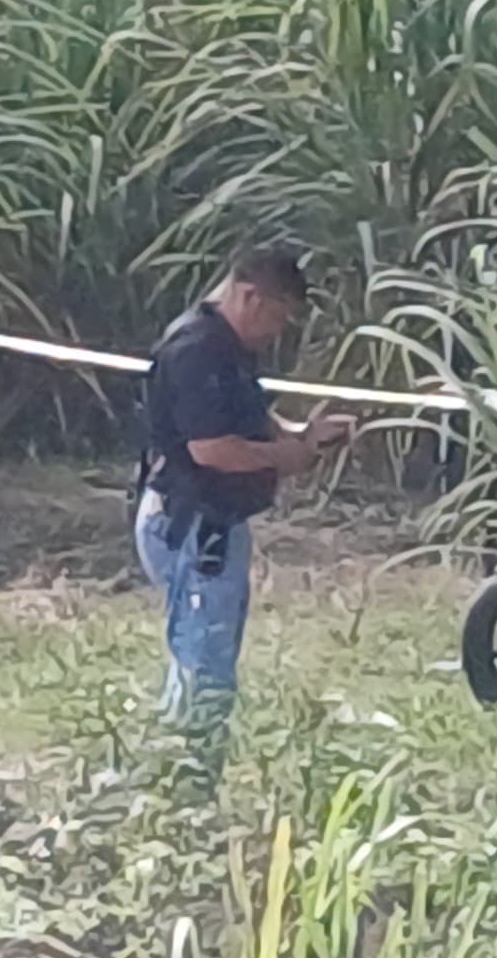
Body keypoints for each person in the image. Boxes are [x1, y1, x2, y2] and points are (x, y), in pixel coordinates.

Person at [135, 238, 356, 728]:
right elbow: (212, 448)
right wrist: (291, 456)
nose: (277, 333)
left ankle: (175, 769)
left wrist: (303, 436)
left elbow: (245, 418)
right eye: (279, 316)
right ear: (251, 297)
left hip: (212, 523)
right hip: (192, 524)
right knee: (205, 663)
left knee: (202, 652)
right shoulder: (196, 351)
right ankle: (189, 777)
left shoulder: (227, 348)